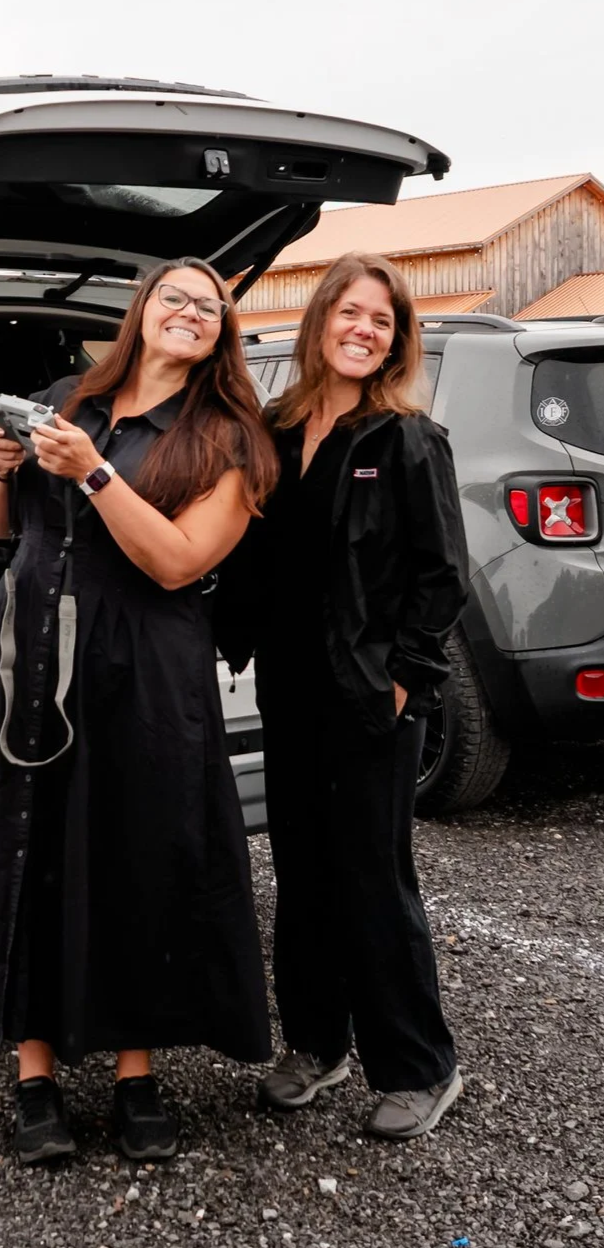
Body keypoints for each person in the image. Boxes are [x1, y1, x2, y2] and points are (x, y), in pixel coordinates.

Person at [0, 258, 278, 1165]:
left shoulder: (231, 436)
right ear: (144, 310)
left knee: (138, 850)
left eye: (210, 306)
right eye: (175, 297)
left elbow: (180, 563)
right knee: (28, 844)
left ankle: (135, 1073)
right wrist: (1, 468)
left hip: (145, 667)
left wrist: (96, 475)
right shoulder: (65, 397)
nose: (191, 312)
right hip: (28, 646)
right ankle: (33, 1076)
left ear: (223, 330)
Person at [245, 252, 468, 1139]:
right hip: (288, 689)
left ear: (395, 340)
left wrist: (405, 682)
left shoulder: (406, 438)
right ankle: (317, 1045)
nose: (365, 330)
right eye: (352, 313)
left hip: (373, 699)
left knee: (372, 880)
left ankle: (419, 1066)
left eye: (383, 321)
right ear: (320, 321)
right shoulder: (273, 427)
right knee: (301, 875)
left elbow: (441, 578)